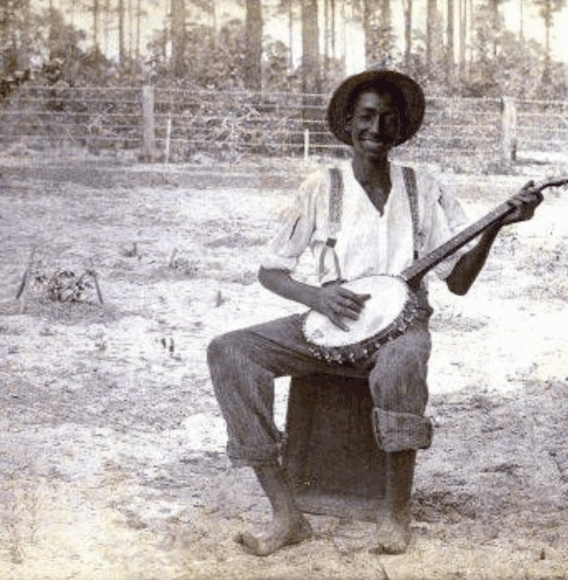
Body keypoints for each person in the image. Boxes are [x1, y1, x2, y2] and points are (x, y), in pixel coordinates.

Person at [207, 69, 544, 556]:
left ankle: (395, 512)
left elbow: (460, 282)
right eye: (366, 116)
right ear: (347, 123)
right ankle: (285, 512)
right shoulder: (321, 187)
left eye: (389, 118)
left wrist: (497, 227)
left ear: (402, 128)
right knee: (231, 352)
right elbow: (271, 271)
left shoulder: (425, 188)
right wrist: (317, 298)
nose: (377, 128)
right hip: (330, 322)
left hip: (402, 325)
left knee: (403, 364)